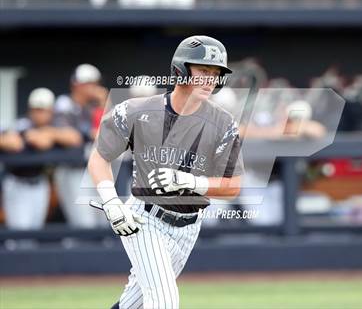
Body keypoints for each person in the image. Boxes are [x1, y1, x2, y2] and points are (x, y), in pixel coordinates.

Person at [88, 35, 243, 309]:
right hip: (145, 218)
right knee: (164, 302)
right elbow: (99, 157)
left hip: (189, 225)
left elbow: (233, 186)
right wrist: (110, 201)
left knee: (132, 304)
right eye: (203, 71)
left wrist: (189, 181)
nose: (210, 79)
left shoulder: (223, 122)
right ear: (180, 69)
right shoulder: (138, 110)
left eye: (215, 74)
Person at [0, 88, 80, 229]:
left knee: (35, 230)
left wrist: (51, 134)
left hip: (40, 184)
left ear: (51, 111)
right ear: (30, 109)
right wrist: (39, 136)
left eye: (44, 110)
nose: (40, 114)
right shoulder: (22, 123)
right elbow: (18, 142)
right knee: (20, 234)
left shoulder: (53, 126)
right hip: (18, 184)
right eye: (37, 109)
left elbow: (74, 138)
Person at [54, 63, 108, 228]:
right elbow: (70, 137)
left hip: (96, 171)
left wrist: (104, 102)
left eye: (94, 83)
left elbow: (113, 130)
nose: (92, 88)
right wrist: (89, 133)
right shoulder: (64, 104)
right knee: (84, 224)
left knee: (106, 221)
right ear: (75, 84)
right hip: (73, 169)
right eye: (87, 83)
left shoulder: (95, 106)